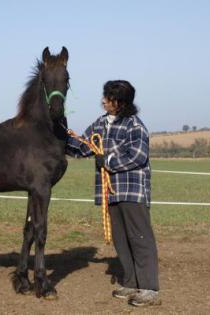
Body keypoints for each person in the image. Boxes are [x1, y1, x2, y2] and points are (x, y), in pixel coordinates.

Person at [66, 80, 160, 307]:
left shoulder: (134, 126)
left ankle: (149, 288)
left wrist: (107, 160)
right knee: (120, 239)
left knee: (140, 238)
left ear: (119, 102)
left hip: (131, 190)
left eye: (108, 98)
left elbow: (138, 156)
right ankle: (130, 282)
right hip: (110, 192)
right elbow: (82, 147)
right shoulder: (101, 123)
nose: (103, 101)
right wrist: (61, 133)